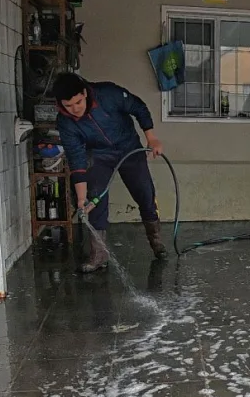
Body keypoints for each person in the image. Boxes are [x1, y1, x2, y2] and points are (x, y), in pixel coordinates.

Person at [53, 73, 168, 273]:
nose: (75, 109)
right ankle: (99, 255)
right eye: (68, 106)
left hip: (129, 148)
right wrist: (82, 198)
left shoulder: (108, 93)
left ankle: (157, 243)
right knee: (94, 198)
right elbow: (76, 157)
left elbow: (138, 107)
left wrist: (151, 137)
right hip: (99, 155)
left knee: (145, 194)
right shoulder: (65, 122)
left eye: (78, 102)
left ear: (84, 93)